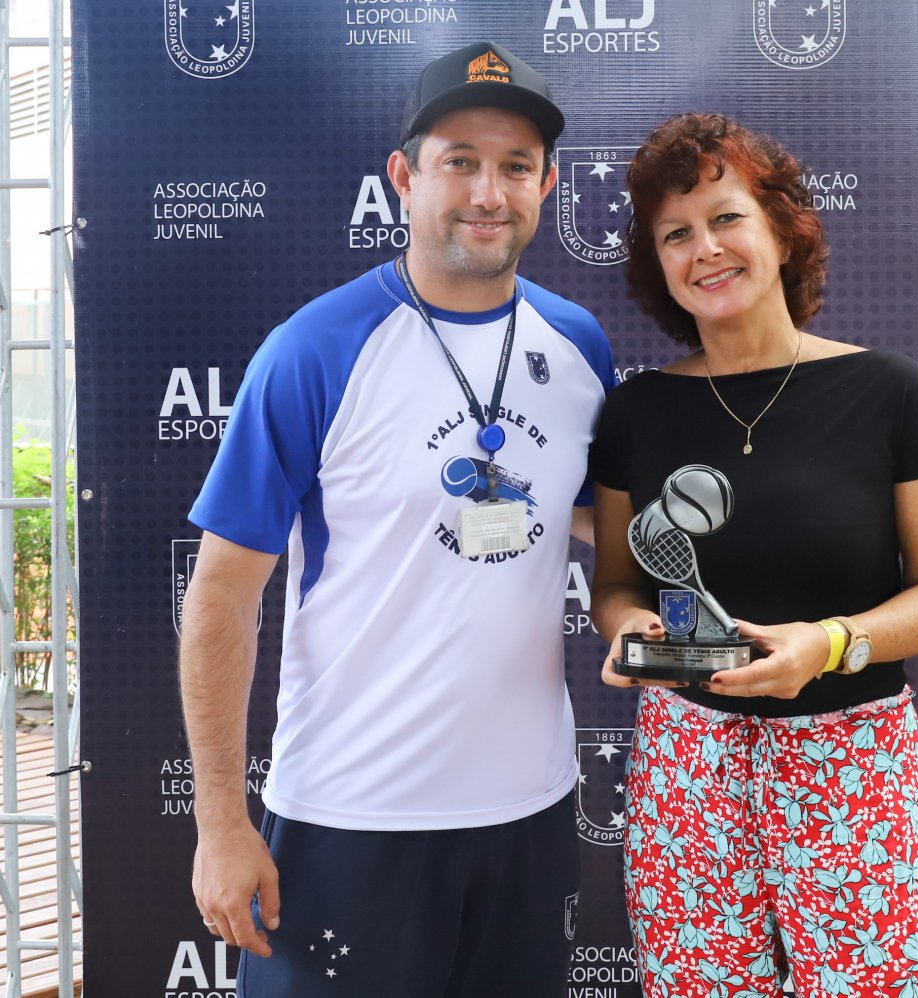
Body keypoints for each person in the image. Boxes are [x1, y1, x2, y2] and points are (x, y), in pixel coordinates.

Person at [178, 41, 614, 997]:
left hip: (530, 818)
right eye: (460, 161)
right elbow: (222, 594)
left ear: (547, 185)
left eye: (516, 167)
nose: (488, 193)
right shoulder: (314, 350)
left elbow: (598, 523)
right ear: (405, 178)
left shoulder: (578, 344)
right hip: (350, 820)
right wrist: (220, 822)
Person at [589, 113, 918, 998]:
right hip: (688, 772)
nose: (705, 249)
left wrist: (828, 644)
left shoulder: (886, 389)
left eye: (727, 218)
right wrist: (631, 627)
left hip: (856, 767)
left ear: (782, 232)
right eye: (676, 234)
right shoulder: (637, 413)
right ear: (658, 264)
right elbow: (613, 582)